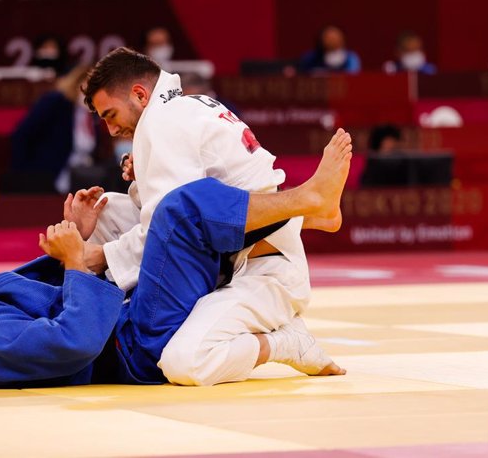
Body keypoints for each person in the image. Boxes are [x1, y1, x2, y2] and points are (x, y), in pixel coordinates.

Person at [0, 151, 350, 388]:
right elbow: (75, 342)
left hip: (128, 323)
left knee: (123, 209)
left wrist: (81, 239)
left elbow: (52, 288)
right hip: (136, 348)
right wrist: (78, 262)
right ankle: (306, 206)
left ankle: (277, 234)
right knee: (180, 209)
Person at [77, 47, 349, 385]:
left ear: (139, 94)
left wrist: (100, 256)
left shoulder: (161, 124)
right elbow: (182, 212)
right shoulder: (187, 107)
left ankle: (284, 341)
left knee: (182, 362)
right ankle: (309, 212)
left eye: (111, 114)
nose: (110, 128)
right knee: (107, 208)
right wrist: (141, 176)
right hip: (230, 254)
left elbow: (170, 223)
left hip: (264, 274)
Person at [10, 65, 109, 194]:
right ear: (77, 83)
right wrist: (22, 174)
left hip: (80, 179)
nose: (91, 93)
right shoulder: (55, 102)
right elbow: (22, 134)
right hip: (45, 176)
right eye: (89, 86)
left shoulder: (94, 114)